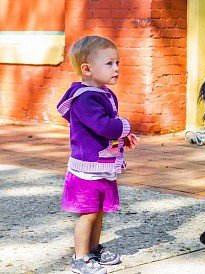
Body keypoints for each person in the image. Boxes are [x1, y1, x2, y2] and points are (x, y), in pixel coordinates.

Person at [57, 35, 139, 274]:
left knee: (99, 211)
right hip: (87, 169)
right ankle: (80, 257)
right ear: (87, 69)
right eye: (110, 63)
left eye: (118, 63)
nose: (116, 68)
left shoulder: (101, 93)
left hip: (101, 164)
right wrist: (125, 126)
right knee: (88, 213)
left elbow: (105, 127)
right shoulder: (86, 98)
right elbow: (103, 125)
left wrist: (122, 136)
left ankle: (93, 248)